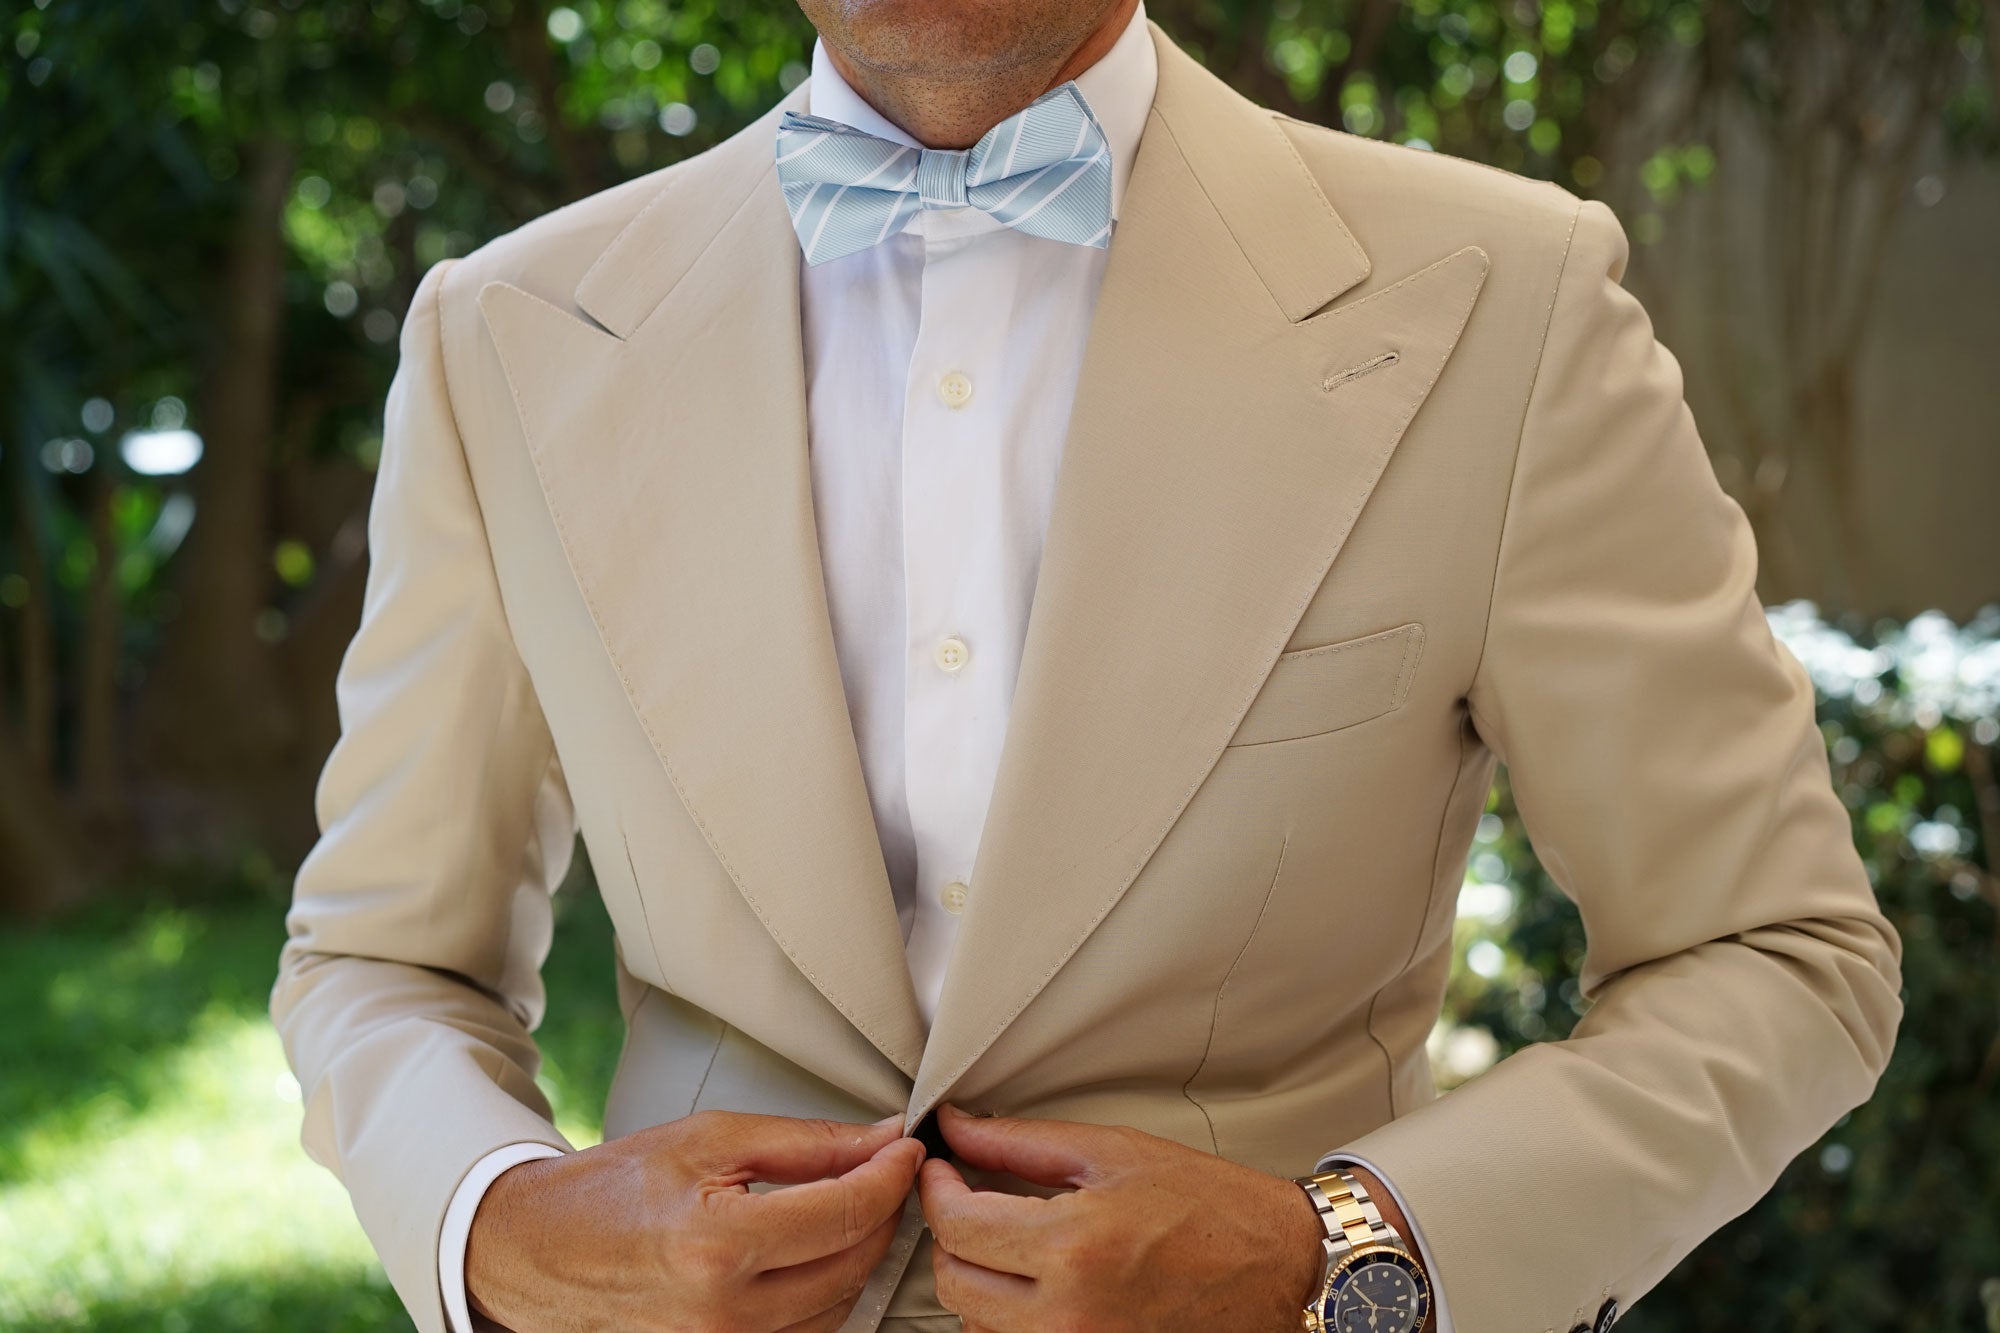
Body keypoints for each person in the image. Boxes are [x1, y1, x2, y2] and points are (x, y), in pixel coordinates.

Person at [269, 0, 1904, 1329]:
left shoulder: (1510, 304)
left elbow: (1773, 949)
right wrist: (503, 1225)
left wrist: (1335, 1254)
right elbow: (382, 959)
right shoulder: (502, 335)